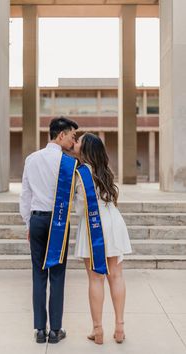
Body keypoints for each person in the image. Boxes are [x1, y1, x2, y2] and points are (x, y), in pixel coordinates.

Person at [20, 117, 78, 344]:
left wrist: (28, 223)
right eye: (72, 136)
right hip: (59, 223)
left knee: (38, 274)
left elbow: (25, 195)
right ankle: (55, 330)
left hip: (36, 220)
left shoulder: (31, 159)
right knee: (58, 274)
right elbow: (72, 196)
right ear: (60, 135)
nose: (74, 141)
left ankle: (39, 330)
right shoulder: (68, 163)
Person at [73, 133, 132, 345]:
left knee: (95, 278)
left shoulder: (81, 173)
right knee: (116, 276)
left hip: (93, 227)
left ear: (86, 148)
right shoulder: (104, 170)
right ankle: (119, 328)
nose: (75, 142)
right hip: (113, 221)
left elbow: (81, 209)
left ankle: (98, 331)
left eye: (78, 141)